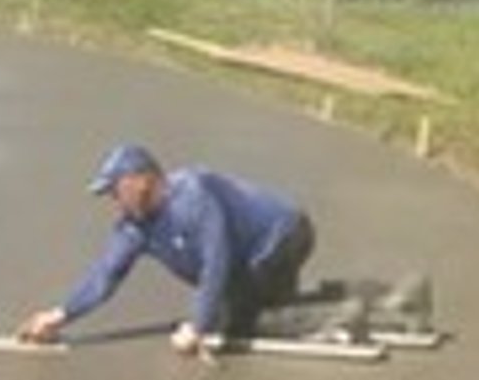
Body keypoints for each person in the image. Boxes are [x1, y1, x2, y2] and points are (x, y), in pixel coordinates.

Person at [17, 143, 329, 356]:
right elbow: (105, 274)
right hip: (247, 256)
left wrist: (197, 326)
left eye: (115, 190)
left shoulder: (193, 196)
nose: (114, 200)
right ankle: (313, 301)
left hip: (284, 234)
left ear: (142, 181)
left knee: (243, 323)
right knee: (238, 309)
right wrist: (60, 315)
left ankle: (335, 318)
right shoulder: (135, 226)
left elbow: (215, 261)